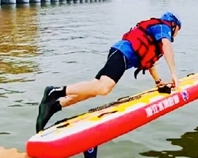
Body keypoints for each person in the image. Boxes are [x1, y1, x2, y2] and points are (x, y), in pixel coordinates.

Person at [35, 12, 183, 132]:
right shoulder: (163, 27)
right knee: (104, 88)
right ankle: (55, 92)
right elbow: (167, 46)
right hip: (122, 53)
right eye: (178, 30)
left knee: (93, 89)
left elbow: (150, 62)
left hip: (120, 55)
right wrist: (174, 74)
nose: (176, 34)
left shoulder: (156, 37)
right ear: (174, 25)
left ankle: (55, 106)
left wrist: (158, 81)